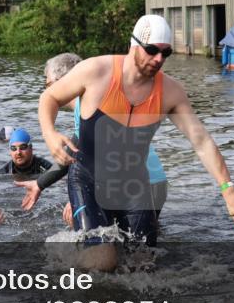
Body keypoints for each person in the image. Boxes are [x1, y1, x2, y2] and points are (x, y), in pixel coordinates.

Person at [39, 15, 234, 270]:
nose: (159, 59)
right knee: (103, 262)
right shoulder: (97, 71)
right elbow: (49, 98)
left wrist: (229, 191)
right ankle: (67, 265)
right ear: (134, 45)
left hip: (134, 185)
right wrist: (50, 134)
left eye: (165, 53)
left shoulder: (170, 91)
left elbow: (201, 141)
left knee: (144, 265)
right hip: (89, 178)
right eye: (152, 50)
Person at [18, 53, 169, 220]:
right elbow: (80, 153)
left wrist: (83, 196)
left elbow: (90, 154)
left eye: (48, 84)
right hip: (155, 180)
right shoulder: (90, 102)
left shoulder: (87, 106)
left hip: (138, 183)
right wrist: (41, 183)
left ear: (63, 81)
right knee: (133, 235)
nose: (47, 90)